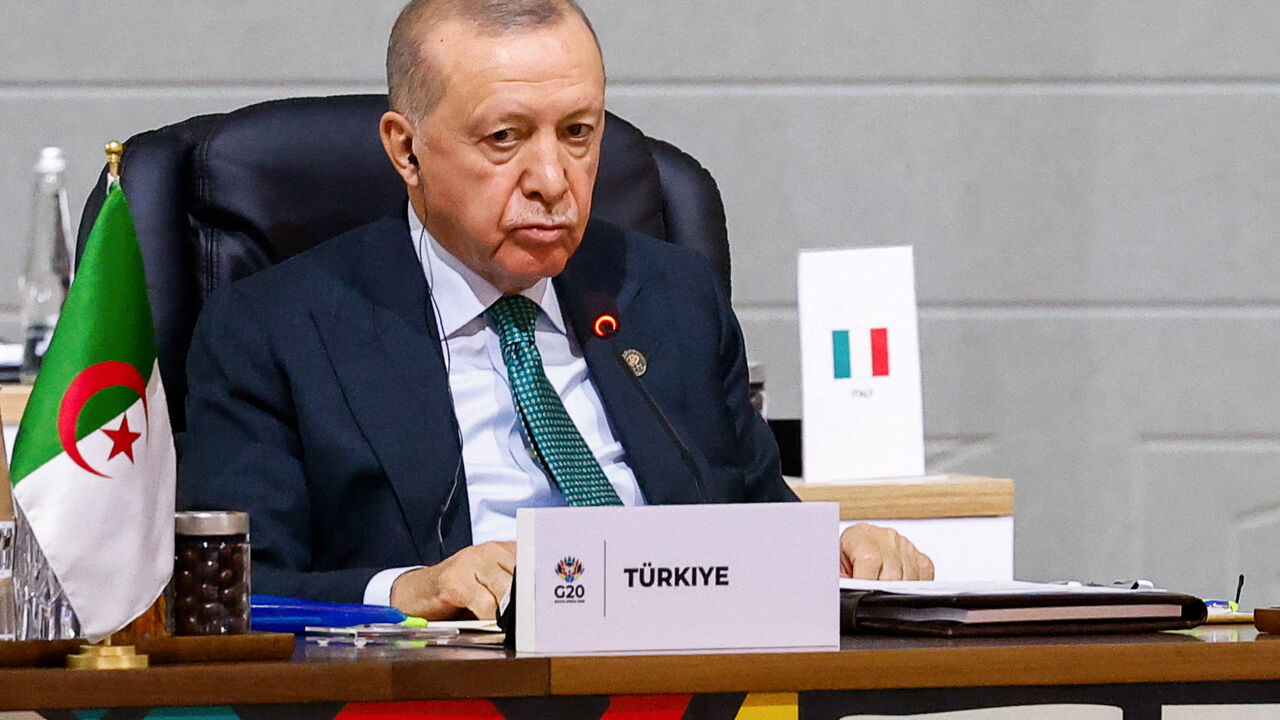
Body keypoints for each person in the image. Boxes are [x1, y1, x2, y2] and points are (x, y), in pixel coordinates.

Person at [178, 0, 933, 621]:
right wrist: (406, 589)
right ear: (407, 151)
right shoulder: (275, 329)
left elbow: (752, 521)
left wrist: (837, 554)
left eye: (579, 133)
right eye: (506, 138)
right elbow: (235, 593)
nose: (553, 179)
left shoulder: (670, 296)